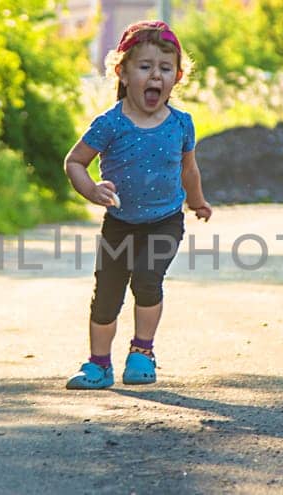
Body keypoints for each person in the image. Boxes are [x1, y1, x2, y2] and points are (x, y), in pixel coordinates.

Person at [61, 20, 212, 389]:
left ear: (176, 77)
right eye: (145, 67)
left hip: (165, 220)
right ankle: (98, 364)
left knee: (147, 280)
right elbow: (74, 162)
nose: (155, 76)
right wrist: (92, 189)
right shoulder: (109, 123)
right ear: (123, 73)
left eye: (164, 68)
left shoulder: (181, 123)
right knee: (107, 293)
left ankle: (142, 352)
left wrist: (198, 202)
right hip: (120, 222)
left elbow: (188, 169)